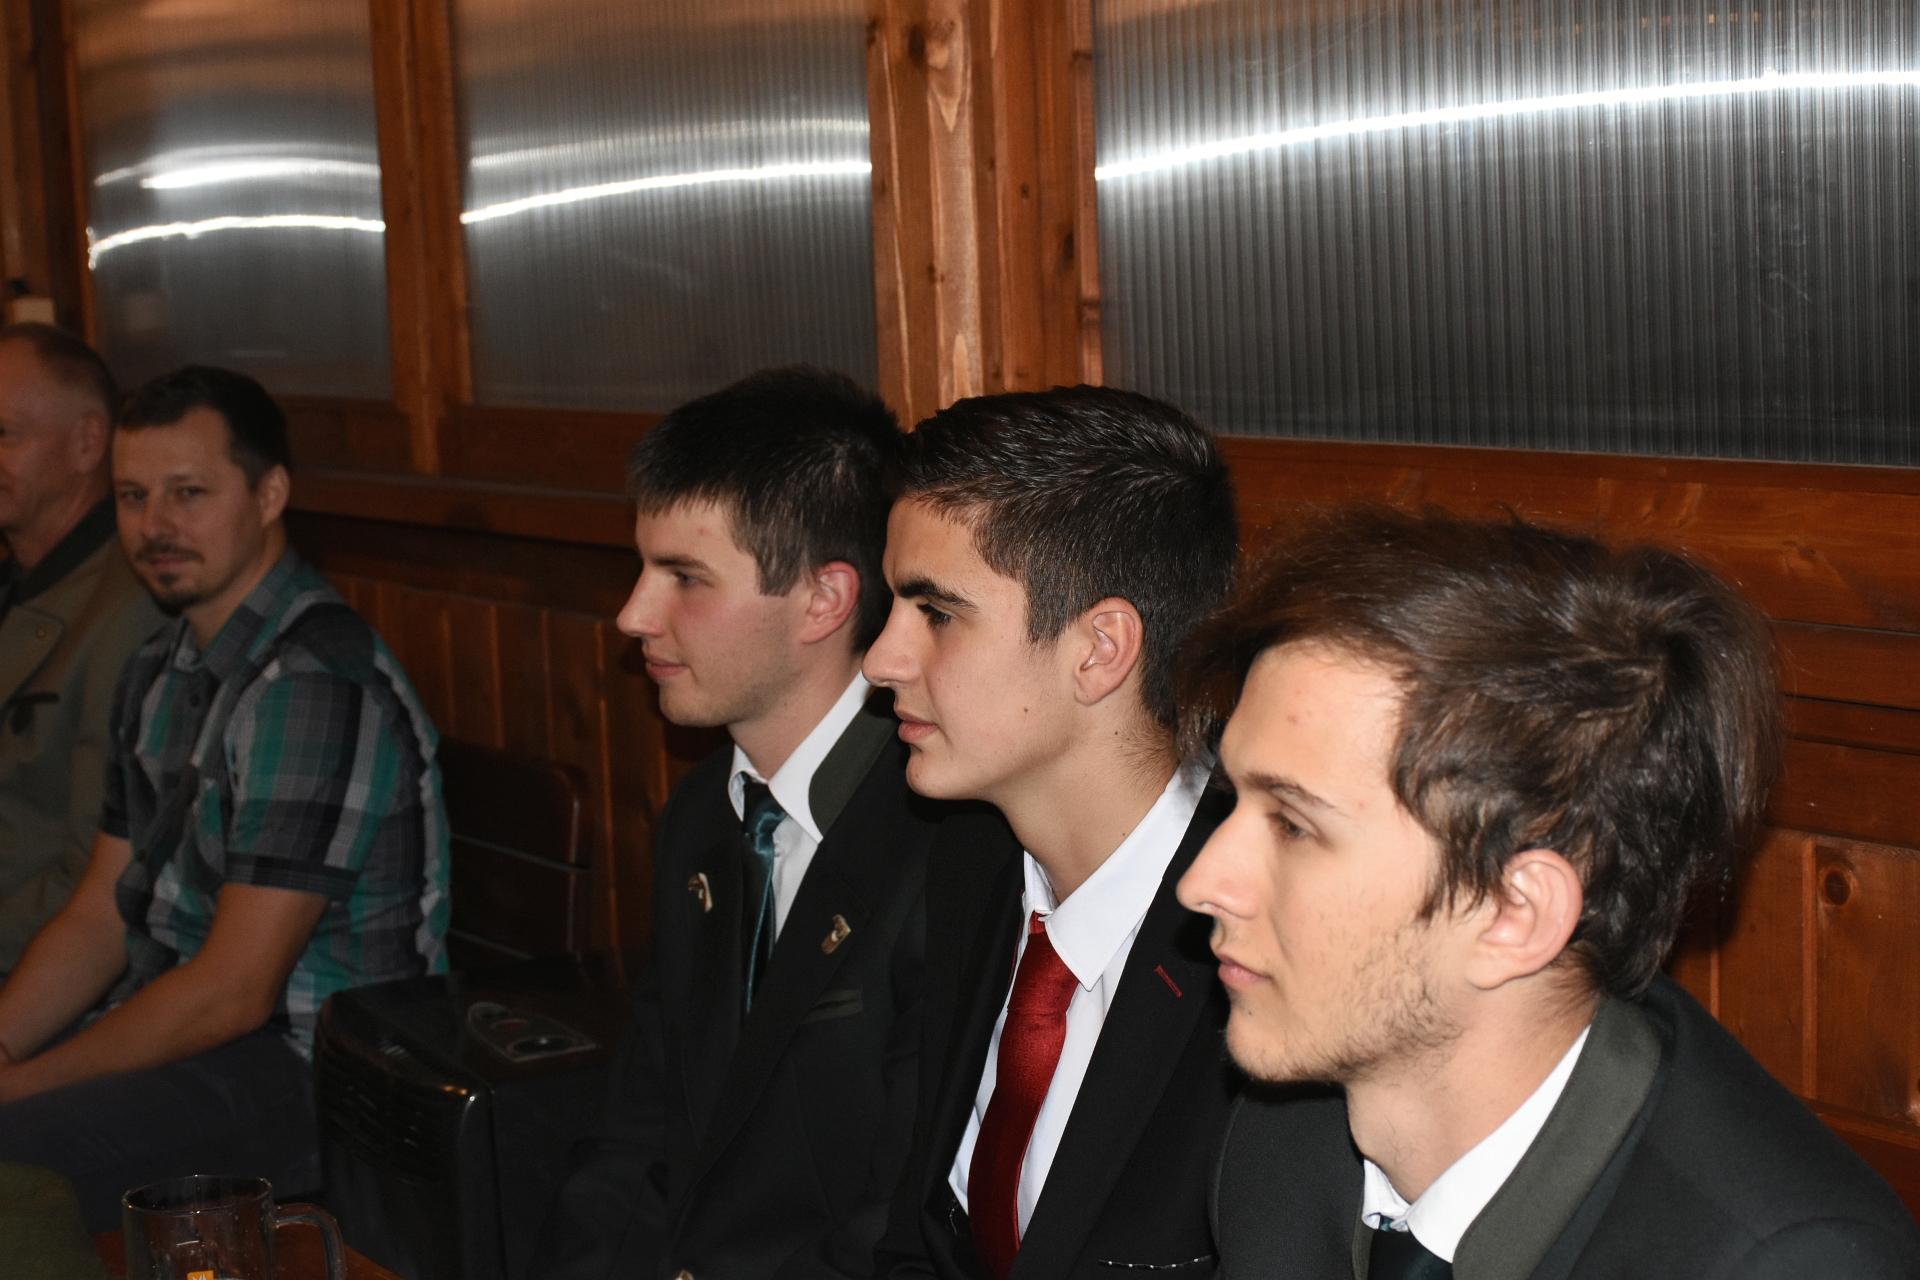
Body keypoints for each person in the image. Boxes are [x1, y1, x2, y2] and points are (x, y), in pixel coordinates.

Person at [1176, 506, 1920, 1280]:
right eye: (1232, 800)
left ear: (1515, 915)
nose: (1200, 884)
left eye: (1294, 826)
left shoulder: (1783, 1263)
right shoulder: (1287, 1135)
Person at [0, 365, 448, 1231]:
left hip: (309, 1073)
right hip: (187, 1030)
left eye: (189, 493)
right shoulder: (160, 665)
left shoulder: (313, 683)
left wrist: (19, 1087)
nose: (154, 526)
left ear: (270, 494)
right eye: (133, 497)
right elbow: (99, 914)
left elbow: (235, 991)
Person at [532, 367, 945, 1280]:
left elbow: (897, 1228)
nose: (633, 614)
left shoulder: (941, 847)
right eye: (643, 568)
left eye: (685, 577)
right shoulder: (701, 814)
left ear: (824, 600)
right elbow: (637, 1139)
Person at [867, 386, 1243, 1280]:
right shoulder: (970, 858)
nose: (880, 659)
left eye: (936, 613)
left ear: (1100, 650)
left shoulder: (1263, 941)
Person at [0, 324, 165, 976]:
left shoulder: (132, 607)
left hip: (48, 976)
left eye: (4, 434)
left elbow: (93, 884)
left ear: (88, 444)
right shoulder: (21, 579)